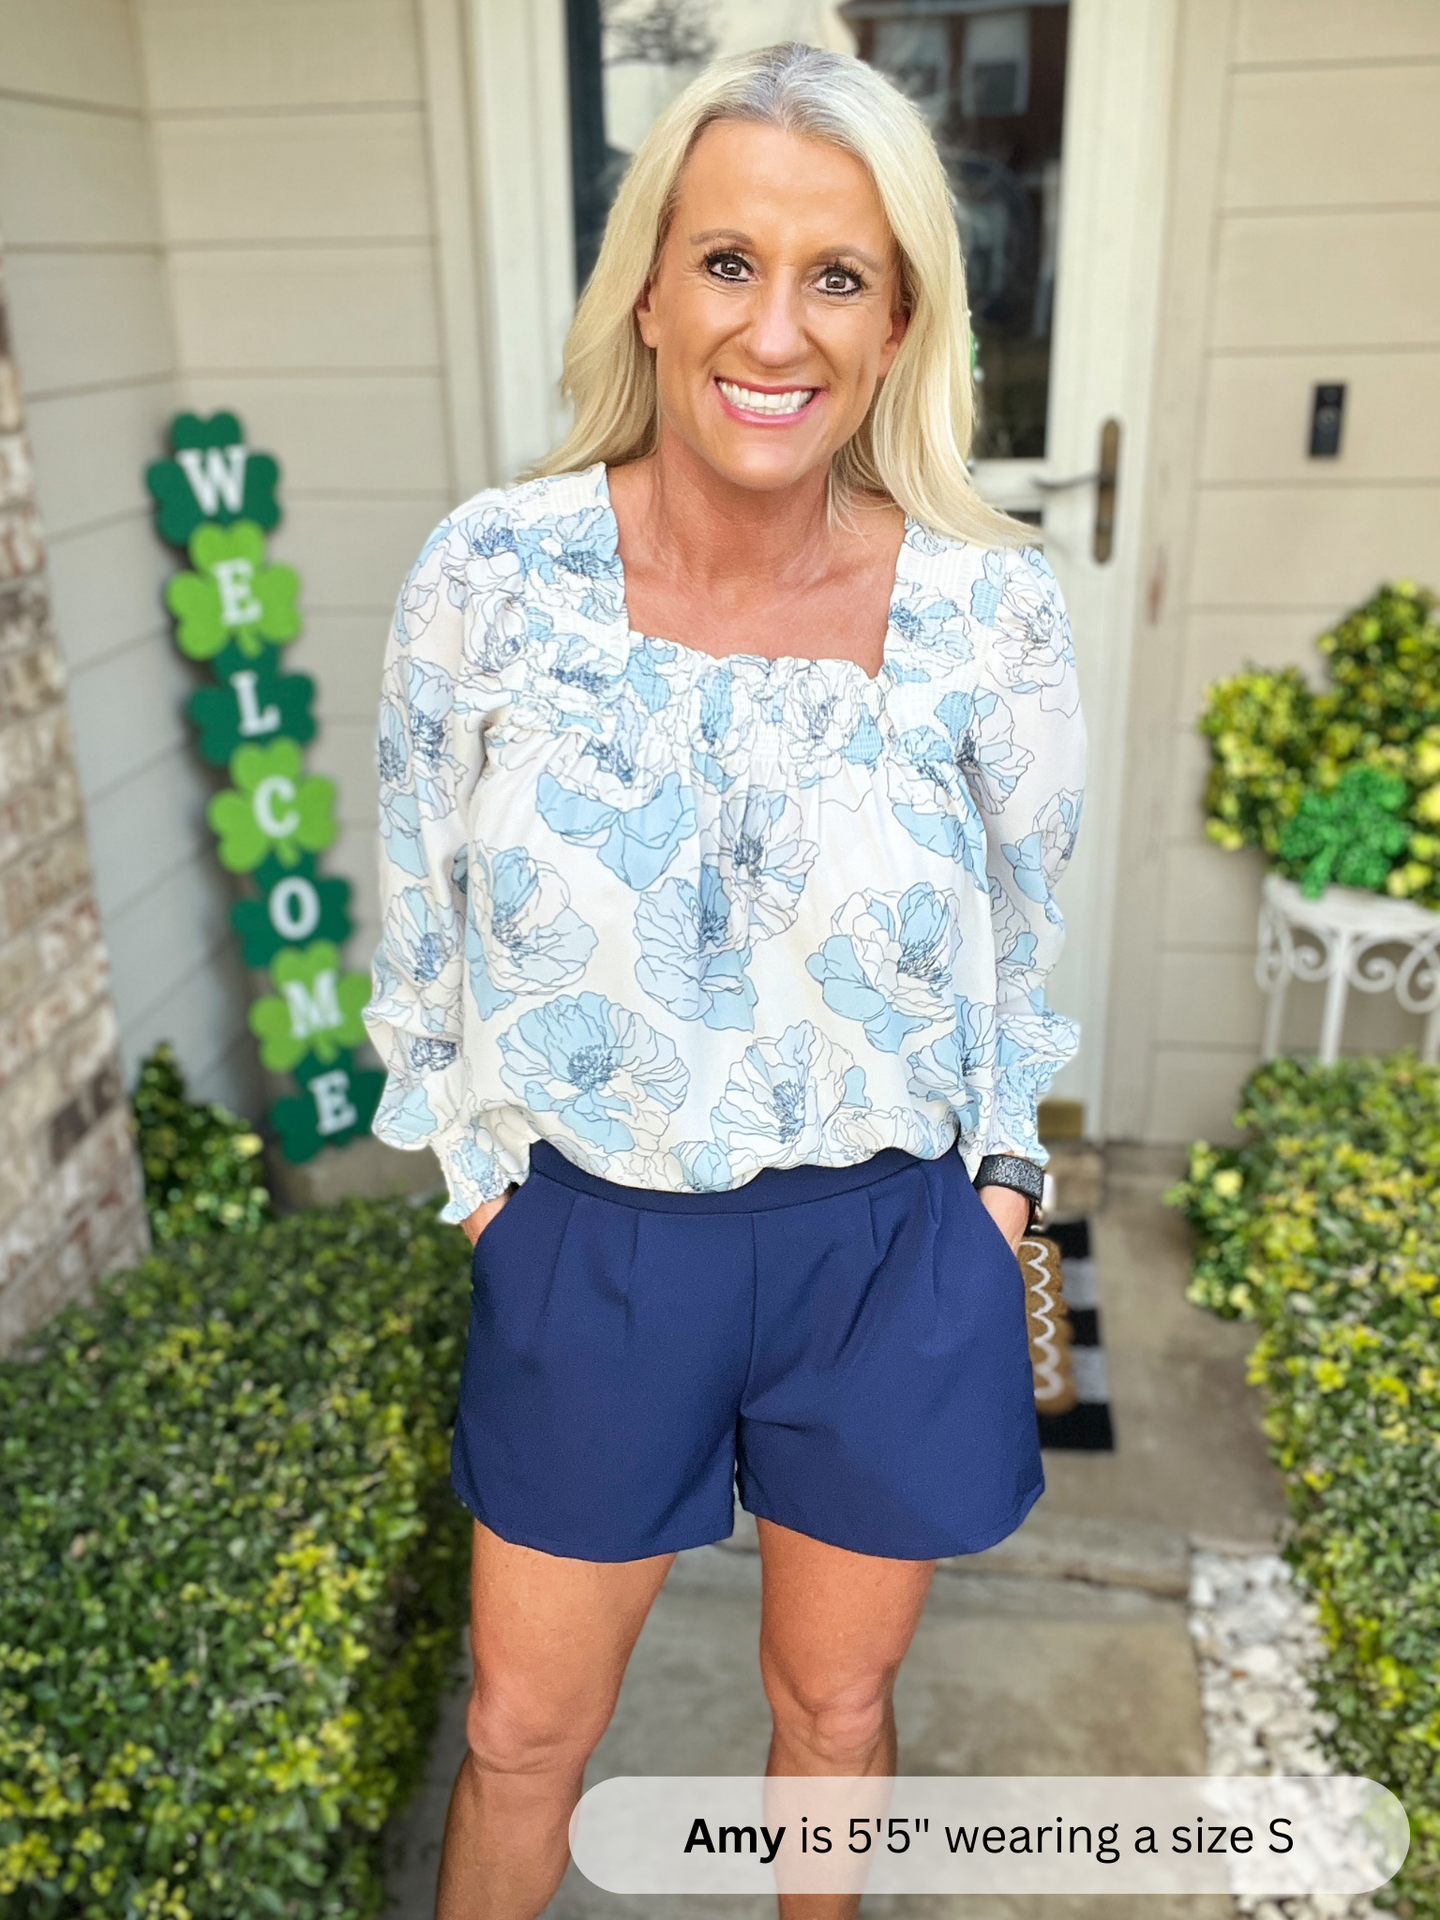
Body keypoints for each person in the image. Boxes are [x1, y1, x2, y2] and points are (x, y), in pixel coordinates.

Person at [365, 40, 1084, 1920]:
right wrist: (476, 1183)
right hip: (589, 1241)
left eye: (837, 273)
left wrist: (1002, 1181)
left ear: (900, 315)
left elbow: (1023, 930)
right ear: (655, 290)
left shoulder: (987, 614)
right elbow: (416, 910)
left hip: (885, 1246)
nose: (779, 327)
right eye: (730, 262)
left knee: (834, 1714)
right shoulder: (492, 578)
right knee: (525, 1732)